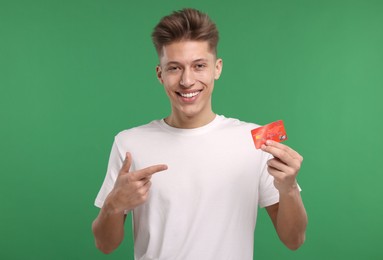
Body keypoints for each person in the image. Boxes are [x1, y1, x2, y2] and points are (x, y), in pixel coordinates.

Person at [92, 8, 307, 259]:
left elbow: (294, 240)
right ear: (160, 74)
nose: (187, 80)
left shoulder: (254, 141)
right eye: (174, 68)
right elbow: (105, 245)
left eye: (199, 66)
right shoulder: (129, 143)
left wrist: (289, 188)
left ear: (217, 68)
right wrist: (113, 205)